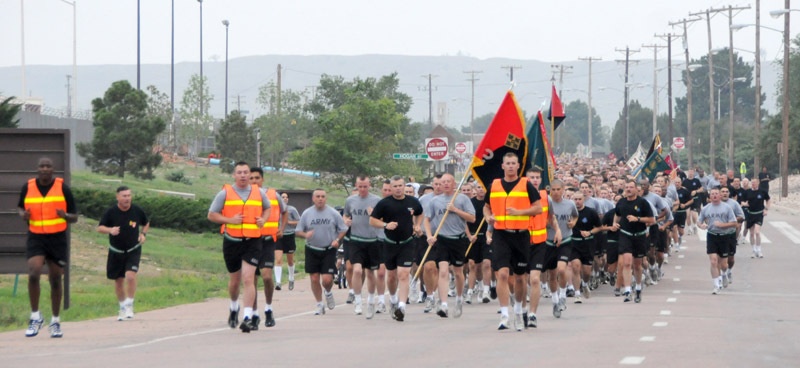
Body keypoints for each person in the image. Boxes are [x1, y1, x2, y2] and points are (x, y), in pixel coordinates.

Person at [18, 157, 78, 338]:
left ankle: (55, 321)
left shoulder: (63, 188)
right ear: (37, 169)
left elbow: (75, 216)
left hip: (57, 238)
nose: (45, 169)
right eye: (42, 166)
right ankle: (35, 316)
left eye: (48, 166)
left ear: (53, 169)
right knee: (34, 272)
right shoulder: (28, 187)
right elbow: (20, 207)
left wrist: (65, 215)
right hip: (36, 236)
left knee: (55, 279)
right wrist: (24, 215)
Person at [207, 161, 270, 333]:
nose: (243, 175)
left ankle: (248, 317)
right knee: (235, 281)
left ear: (250, 175)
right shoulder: (225, 193)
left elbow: (267, 208)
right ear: (234, 175)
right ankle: (234, 308)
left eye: (245, 173)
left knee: (249, 278)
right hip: (232, 242)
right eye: (239, 172)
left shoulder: (259, 193)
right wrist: (230, 220)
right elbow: (211, 215)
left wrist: (263, 220)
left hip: (253, 241)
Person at [484, 153, 542, 330]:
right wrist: (488, 218)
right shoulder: (494, 185)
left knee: (519, 277)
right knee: (501, 274)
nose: (510, 166)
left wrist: (520, 212)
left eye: (513, 163)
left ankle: (518, 310)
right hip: (501, 235)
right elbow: (486, 206)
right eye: (507, 163)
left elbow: (538, 208)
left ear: (518, 166)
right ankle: (504, 314)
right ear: (502, 166)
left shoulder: (526, 185)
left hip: (521, 235)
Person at [370, 175, 424, 322]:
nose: (398, 188)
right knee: (392, 276)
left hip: (407, 242)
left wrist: (417, 225)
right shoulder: (384, 204)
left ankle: (401, 307)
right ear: (391, 188)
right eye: (395, 186)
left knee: (404, 274)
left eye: (401, 185)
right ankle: (393, 299)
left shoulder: (413, 202)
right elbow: (372, 220)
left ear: (404, 186)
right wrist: (386, 225)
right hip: (389, 243)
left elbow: (420, 213)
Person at [424, 173, 476, 319]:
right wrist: (429, 236)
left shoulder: (462, 199)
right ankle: (444, 304)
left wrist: (455, 210)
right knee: (443, 271)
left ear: (454, 184)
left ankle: (459, 298)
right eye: (443, 182)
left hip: (458, 239)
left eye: (448, 182)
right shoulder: (435, 201)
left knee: (458, 272)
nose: (445, 184)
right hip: (442, 239)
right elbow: (427, 220)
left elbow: (472, 218)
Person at [97, 186, 150, 321]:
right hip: (116, 251)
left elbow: (146, 222)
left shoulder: (137, 210)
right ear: (118, 197)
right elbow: (100, 228)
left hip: (133, 250)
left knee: (130, 276)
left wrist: (143, 234)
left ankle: (129, 305)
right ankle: (122, 307)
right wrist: (110, 230)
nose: (127, 199)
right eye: (124, 196)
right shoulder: (111, 212)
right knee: (118, 280)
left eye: (129, 196)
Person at [295, 189, 349, 315]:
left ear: (326, 198)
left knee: (327, 280)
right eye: (318, 196)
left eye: (323, 196)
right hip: (312, 249)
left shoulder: (333, 213)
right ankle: (319, 304)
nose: (320, 199)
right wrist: (305, 234)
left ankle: (328, 292)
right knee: (314, 278)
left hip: (328, 250)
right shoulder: (307, 213)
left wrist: (337, 240)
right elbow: (298, 231)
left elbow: (343, 229)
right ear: (313, 199)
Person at [248, 167, 287, 329]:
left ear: (262, 179)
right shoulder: (244, 196)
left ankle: (269, 309)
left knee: (266, 277)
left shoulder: (273, 194)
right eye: (251, 178)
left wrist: (282, 229)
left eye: (257, 178)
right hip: (250, 241)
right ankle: (255, 314)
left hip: (268, 241)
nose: (254, 181)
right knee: (252, 280)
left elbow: (285, 212)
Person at [343, 176, 382, 318]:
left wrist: (375, 215)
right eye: (360, 186)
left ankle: (371, 300)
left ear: (369, 185)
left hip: (372, 240)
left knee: (371, 273)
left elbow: (383, 219)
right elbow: (345, 215)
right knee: (357, 270)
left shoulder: (376, 200)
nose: (363, 189)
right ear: (356, 186)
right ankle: (358, 301)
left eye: (365, 186)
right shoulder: (350, 200)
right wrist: (346, 221)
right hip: (356, 240)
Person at [613, 179, 654, 303]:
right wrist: (614, 223)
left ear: (636, 189)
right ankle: (627, 290)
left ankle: (638, 287)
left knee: (637, 264)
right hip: (625, 235)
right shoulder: (621, 202)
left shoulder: (642, 203)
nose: (628, 189)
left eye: (631, 187)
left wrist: (638, 219)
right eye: (627, 187)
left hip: (639, 236)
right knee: (626, 262)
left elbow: (652, 220)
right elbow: (617, 214)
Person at [697, 188, 738, 295]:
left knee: (724, 264)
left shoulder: (727, 208)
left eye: (716, 194)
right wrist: (701, 225)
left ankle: (724, 274)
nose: (714, 196)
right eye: (712, 194)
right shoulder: (706, 208)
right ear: (709, 197)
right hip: (712, 236)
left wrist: (722, 225)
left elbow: (734, 223)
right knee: (713, 261)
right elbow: (699, 221)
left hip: (724, 237)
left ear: (720, 196)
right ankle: (716, 285)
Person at [275, 192, 300, 291]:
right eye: (283, 197)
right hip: (278, 235)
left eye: (286, 197)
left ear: (288, 199)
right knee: (278, 260)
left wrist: (289, 222)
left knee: (290, 260)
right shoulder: (275, 209)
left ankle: (291, 278)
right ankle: (278, 282)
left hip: (289, 235)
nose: (284, 199)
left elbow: (299, 221)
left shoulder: (292, 209)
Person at [742, 178, 770, 258]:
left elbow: (768, 200)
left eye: (754, 183)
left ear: (758, 183)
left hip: (759, 214)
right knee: (751, 233)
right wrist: (745, 204)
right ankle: (753, 250)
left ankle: (759, 249)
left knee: (757, 232)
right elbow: (742, 201)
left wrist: (766, 209)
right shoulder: (747, 192)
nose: (753, 184)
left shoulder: (762, 191)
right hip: (750, 214)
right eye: (752, 183)